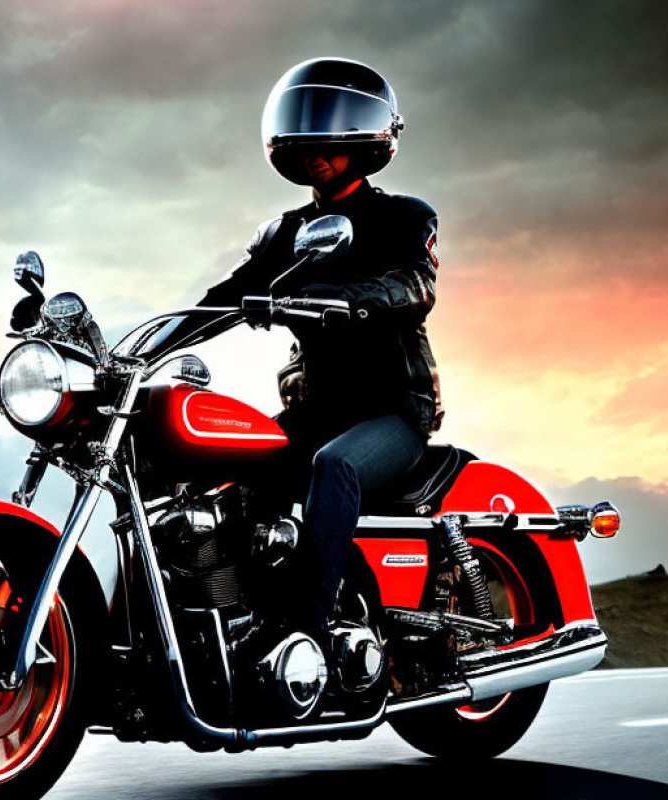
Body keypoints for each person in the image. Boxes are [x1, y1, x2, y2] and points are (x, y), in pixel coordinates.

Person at [195, 58, 444, 637]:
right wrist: (140, 345)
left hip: (392, 410)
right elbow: (225, 297)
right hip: (316, 412)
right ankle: (236, 617)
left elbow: (414, 285)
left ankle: (309, 622)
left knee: (332, 467)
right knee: (230, 468)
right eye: (307, 135)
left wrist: (345, 298)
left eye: (330, 136)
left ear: (363, 139)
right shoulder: (284, 234)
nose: (315, 149)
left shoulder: (400, 217)